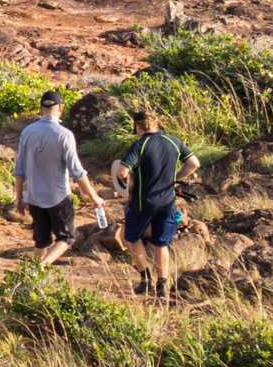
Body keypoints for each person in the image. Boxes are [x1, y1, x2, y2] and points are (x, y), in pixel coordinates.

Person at [111, 103, 199, 304]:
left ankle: (146, 279)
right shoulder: (173, 141)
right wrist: (176, 177)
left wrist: (125, 186)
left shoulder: (139, 145)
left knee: (131, 237)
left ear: (137, 127)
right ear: (157, 123)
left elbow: (122, 171)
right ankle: (162, 285)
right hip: (167, 201)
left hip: (143, 202)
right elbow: (194, 163)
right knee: (161, 243)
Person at [12, 89, 102, 267]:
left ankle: (34, 276)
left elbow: (19, 169)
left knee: (41, 240)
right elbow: (77, 171)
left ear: (41, 109)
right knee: (67, 237)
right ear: (60, 108)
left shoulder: (27, 132)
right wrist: (94, 197)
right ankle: (42, 266)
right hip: (58, 197)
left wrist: (20, 198)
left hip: (34, 197)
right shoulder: (64, 134)